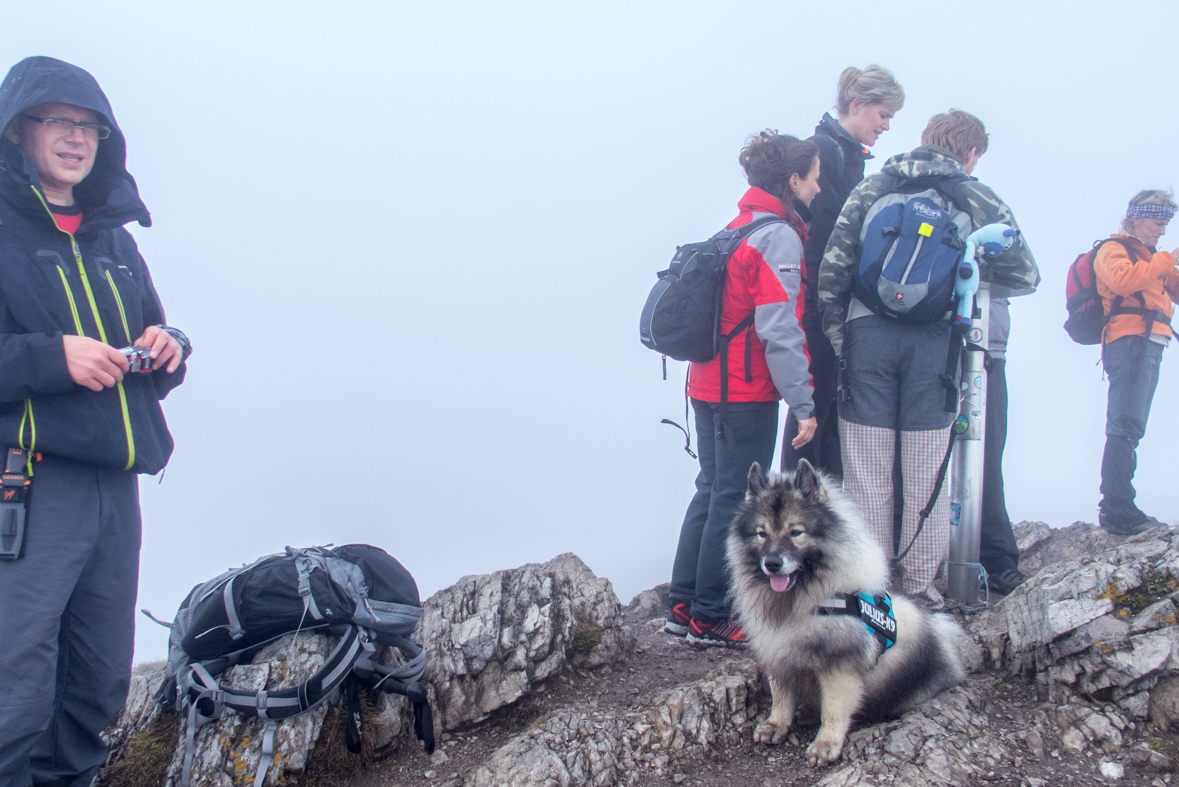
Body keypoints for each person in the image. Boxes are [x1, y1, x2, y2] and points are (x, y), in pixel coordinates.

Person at [0, 57, 190, 786]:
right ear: (20, 130)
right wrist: (54, 358)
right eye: (60, 122)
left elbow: (153, 337)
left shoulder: (113, 239)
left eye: (89, 126)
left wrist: (168, 350)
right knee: (15, 686)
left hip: (117, 488)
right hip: (34, 485)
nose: (77, 138)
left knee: (97, 683)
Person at [817, 110, 1038, 607]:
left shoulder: (875, 187)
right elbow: (1025, 274)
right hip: (936, 346)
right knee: (926, 473)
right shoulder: (975, 195)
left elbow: (833, 269)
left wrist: (841, 342)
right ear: (972, 152)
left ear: (923, 140)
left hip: (866, 337)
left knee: (869, 473)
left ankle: (871, 593)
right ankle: (916, 590)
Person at [666, 131, 819, 645]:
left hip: (707, 384)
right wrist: (803, 403)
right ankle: (713, 615)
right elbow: (779, 329)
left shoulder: (737, 226)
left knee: (711, 489)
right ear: (793, 180)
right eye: (815, 177)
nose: (820, 188)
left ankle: (684, 603)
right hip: (743, 391)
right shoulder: (778, 237)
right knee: (734, 498)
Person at [780, 65, 904, 480]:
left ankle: (823, 506)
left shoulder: (846, 155)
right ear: (857, 105)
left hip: (825, 294)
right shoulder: (825, 151)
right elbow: (824, 237)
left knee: (827, 398)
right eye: (884, 114)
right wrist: (826, 300)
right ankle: (800, 505)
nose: (887, 125)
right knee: (813, 401)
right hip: (819, 295)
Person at [1093, 190, 1179, 535]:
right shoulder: (1113, 250)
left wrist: (1168, 265)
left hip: (1149, 341)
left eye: (1165, 224)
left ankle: (1120, 503)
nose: (1162, 230)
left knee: (1131, 424)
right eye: (1157, 222)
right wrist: (1165, 261)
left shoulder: (1151, 259)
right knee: (1125, 423)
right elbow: (1122, 280)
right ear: (1136, 218)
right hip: (1129, 340)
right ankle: (1116, 506)